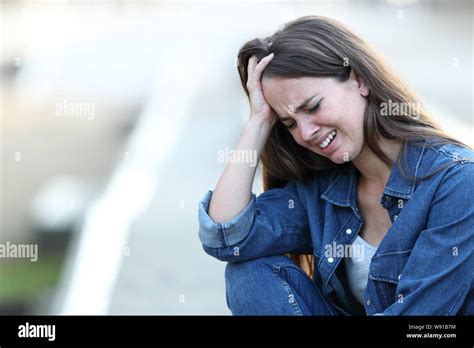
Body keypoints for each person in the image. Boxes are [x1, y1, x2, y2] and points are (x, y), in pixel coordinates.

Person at [198, 16, 474, 315]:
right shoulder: (324, 189)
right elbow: (228, 237)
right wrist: (259, 121)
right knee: (248, 272)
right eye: (289, 122)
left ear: (359, 80)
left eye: (313, 106)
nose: (305, 133)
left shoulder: (457, 181)